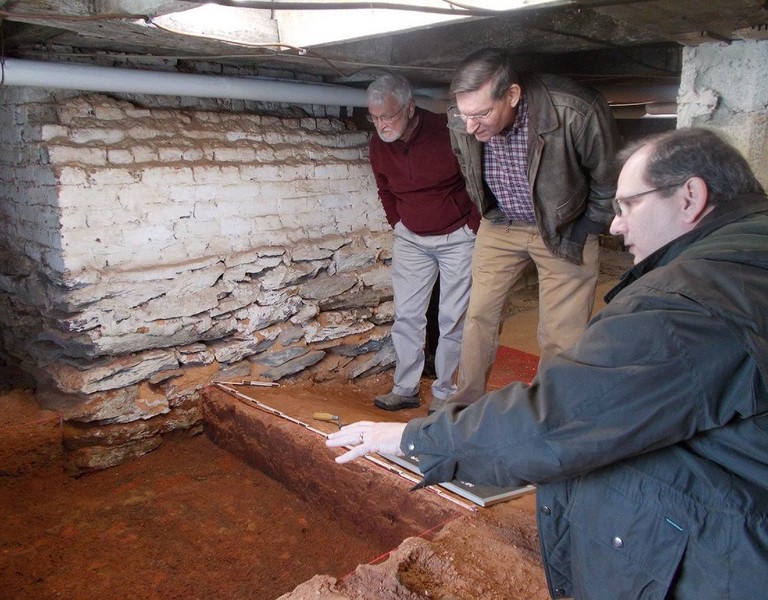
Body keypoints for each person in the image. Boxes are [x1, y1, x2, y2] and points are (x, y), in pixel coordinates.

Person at [328, 128, 768, 599]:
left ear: (690, 197)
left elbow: (554, 420)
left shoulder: (686, 303)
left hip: (724, 559)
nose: (616, 226)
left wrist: (409, 438)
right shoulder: (746, 256)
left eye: (628, 206)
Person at [445, 48, 620, 406]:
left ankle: (550, 414)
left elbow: (610, 180)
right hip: (500, 224)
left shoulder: (575, 109)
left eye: (480, 114)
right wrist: (484, 210)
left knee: (561, 334)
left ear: (512, 95)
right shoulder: (461, 118)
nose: (470, 127)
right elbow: (467, 166)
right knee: (478, 317)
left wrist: (586, 227)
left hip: (564, 228)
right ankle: (462, 409)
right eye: (464, 115)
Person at [365, 73, 480, 412]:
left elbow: (475, 180)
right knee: (407, 316)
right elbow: (384, 189)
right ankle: (405, 388)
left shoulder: (447, 133)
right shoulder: (378, 144)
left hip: (457, 235)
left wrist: (472, 227)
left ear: (410, 107)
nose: (382, 124)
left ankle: (446, 395)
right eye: (375, 117)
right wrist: (397, 224)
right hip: (411, 238)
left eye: (388, 116)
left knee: (453, 318)